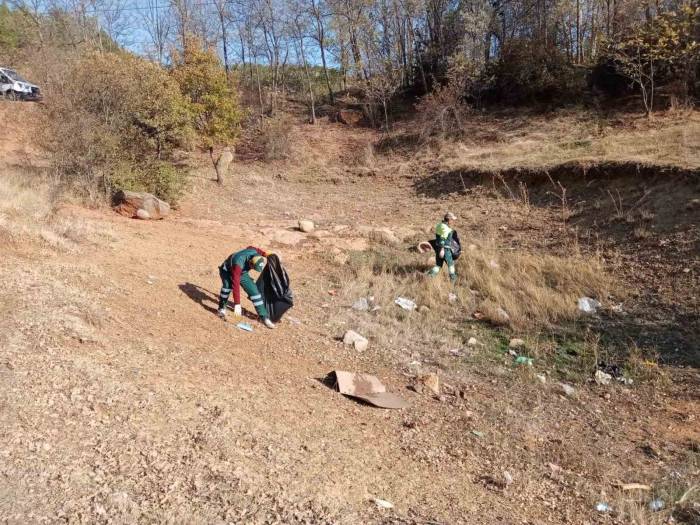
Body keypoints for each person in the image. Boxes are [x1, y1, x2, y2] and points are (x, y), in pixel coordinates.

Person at [217, 246, 276, 329]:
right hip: (227, 271)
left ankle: (264, 317)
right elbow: (236, 285)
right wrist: (237, 304)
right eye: (253, 267)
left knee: (254, 292)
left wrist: (265, 254)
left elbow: (251, 247)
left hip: (242, 273)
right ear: (250, 262)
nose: (252, 269)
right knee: (227, 287)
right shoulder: (238, 263)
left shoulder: (255, 253)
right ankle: (221, 308)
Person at [428, 212, 458, 283]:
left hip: (438, 248)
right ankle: (453, 281)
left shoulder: (439, 225)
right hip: (445, 249)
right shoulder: (445, 228)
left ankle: (429, 277)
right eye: (452, 220)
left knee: (438, 265)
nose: (453, 221)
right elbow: (442, 239)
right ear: (449, 219)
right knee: (450, 265)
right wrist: (442, 250)